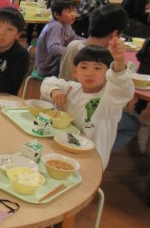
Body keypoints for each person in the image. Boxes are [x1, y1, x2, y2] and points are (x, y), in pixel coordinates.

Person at [40, 41, 136, 169]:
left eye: (97, 68)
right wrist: (54, 91)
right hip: (62, 151)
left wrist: (119, 62)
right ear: (75, 71)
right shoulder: (72, 88)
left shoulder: (109, 99)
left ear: (109, 74)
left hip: (90, 160)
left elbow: (122, 89)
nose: (89, 73)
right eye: (84, 67)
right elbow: (48, 81)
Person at [59, 4, 128, 81]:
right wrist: (120, 61)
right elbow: (119, 83)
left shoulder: (73, 45)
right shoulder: (103, 57)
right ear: (114, 34)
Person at [34, 0, 80, 77]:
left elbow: (73, 38)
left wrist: (87, 42)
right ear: (56, 14)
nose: (73, 14)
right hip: (49, 68)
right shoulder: (56, 26)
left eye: (74, 11)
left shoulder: (66, 25)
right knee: (76, 72)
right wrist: (70, 51)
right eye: (69, 12)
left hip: (54, 64)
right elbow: (53, 49)